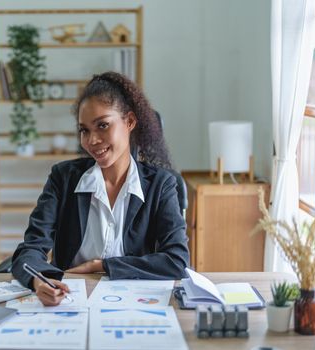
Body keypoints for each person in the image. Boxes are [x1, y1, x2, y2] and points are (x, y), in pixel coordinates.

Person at [11, 71, 190, 306]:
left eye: (103, 125)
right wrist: (39, 281)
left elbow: (176, 261)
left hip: (133, 301)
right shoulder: (63, 179)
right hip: (70, 299)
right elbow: (30, 250)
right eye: (84, 130)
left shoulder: (161, 184)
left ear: (129, 122)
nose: (92, 140)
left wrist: (103, 266)